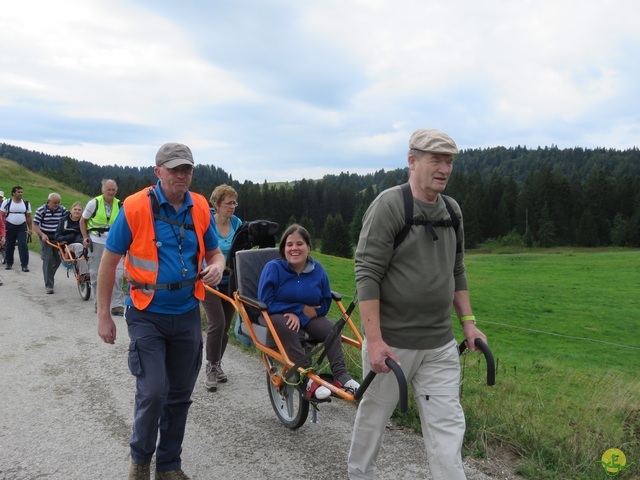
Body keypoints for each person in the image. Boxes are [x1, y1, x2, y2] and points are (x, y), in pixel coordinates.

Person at [347, 129, 488, 480]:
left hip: (439, 343)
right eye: (435, 160)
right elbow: (366, 274)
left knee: (448, 425)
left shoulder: (452, 210)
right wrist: (375, 341)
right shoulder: (389, 205)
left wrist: (468, 322)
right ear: (412, 161)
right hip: (392, 344)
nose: (444, 168)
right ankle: (359, 474)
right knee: (374, 419)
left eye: (449, 161)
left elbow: (456, 270)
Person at [96, 142, 226, 480]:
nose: (182, 175)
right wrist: (103, 315)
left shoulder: (199, 207)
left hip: (186, 313)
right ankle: (140, 461)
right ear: (158, 172)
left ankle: (169, 465)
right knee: (153, 392)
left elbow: (215, 253)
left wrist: (217, 266)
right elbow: (109, 264)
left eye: (187, 169)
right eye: (175, 169)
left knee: (180, 395)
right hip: (146, 312)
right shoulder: (136, 207)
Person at [257, 224, 360, 400]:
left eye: (299, 244)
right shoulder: (273, 268)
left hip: (306, 318)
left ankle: (341, 377)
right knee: (289, 325)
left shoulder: (318, 270)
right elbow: (266, 302)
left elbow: (324, 303)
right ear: (283, 249)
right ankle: (307, 379)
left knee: (332, 329)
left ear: (308, 248)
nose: (294, 248)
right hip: (272, 315)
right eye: (289, 244)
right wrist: (298, 309)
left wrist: (302, 316)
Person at [200, 184, 242, 392]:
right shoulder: (206, 223)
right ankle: (210, 366)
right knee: (217, 323)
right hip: (209, 281)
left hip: (231, 283)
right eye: (228, 203)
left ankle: (217, 363)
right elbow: (199, 251)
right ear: (216, 204)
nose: (232, 207)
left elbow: (242, 251)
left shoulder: (237, 223)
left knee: (225, 327)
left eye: (234, 203)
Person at [80, 179, 126, 315]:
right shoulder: (94, 203)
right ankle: (98, 304)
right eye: (108, 190)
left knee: (118, 274)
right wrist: (85, 238)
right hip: (96, 241)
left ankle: (117, 305)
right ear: (102, 190)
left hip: (114, 243)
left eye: (113, 190)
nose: (111, 192)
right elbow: (83, 221)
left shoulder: (120, 204)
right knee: (96, 273)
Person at [32, 193, 67, 294]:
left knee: (59, 259)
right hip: (45, 237)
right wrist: (42, 234)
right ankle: (49, 285)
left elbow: (68, 219)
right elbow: (35, 224)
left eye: (58, 203)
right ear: (48, 201)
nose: (56, 205)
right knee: (48, 259)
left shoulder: (62, 210)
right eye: (54, 203)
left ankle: (49, 275)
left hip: (57, 237)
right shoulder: (41, 210)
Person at [0, 186, 32, 272]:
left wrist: (30, 229)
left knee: (22, 244)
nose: (20, 194)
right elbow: (2, 214)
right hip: (9, 225)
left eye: (21, 192)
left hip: (21, 226)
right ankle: (9, 263)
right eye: (18, 192)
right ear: (13, 193)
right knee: (9, 245)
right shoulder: (7, 202)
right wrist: (3, 227)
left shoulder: (26, 203)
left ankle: (24, 265)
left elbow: (28, 217)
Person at [55, 201, 90, 280]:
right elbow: (57, 236)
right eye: (75, 209)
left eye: (79, 210)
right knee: (79, 247)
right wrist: (68, 237)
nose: (77, 211)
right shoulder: (64, 221)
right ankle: (85, 273)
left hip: (83, 242)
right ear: (71, 210)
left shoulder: (85, 222)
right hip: (69, 245)